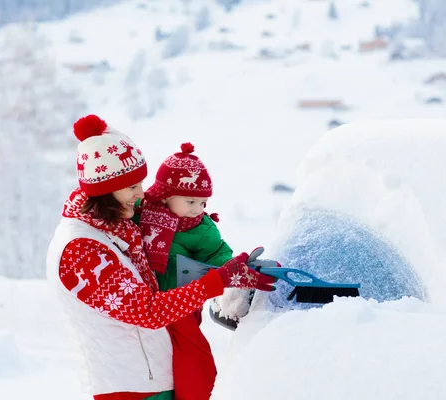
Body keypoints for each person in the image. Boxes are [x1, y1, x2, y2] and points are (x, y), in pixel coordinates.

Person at [46, 114, 276, 400]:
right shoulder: (81, 250)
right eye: (132, 187)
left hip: (152, 380)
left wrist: (225, 271)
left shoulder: (119, 229)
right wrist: (217, 280)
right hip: (128, 389)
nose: (141, 195)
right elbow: (147, 311)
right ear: (105, 189)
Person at [132, 143, 237, 400]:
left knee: (191, 356)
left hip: (182, 302)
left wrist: (226, 270)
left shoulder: (201, 228)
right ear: (166, 195)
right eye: (190, 201)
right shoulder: (142, 213)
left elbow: (219, 255)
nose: (197, 209)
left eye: (203, 203)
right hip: (146, 299)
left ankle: (197, 394)